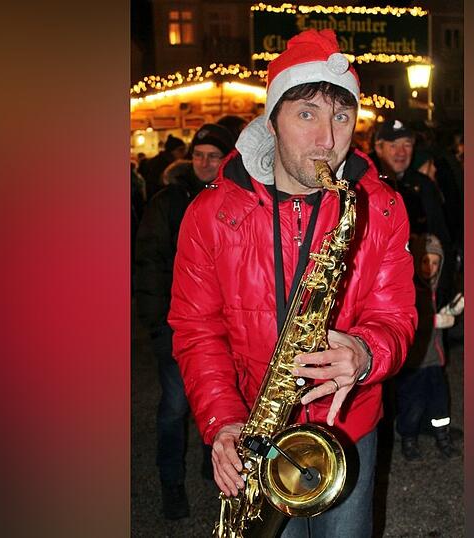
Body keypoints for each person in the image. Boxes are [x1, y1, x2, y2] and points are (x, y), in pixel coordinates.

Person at [169, 28, 416, 538]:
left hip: (347, 427)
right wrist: (223, 422)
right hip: (253, 431)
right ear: (273, 120)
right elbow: (196, 329)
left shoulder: (382, 206)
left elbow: (397, 318)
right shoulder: (209, 214)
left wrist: (367, 354)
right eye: (307, 114)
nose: (328, 138)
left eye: (341, 117)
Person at [134, 123, 236, 520]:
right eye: (199, 155)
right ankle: (170, 482)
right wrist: (159, 327)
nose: (205, 163)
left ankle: (213, 461)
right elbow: (149, 265)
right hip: (179, 328)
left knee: (222, 400)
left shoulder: (235, 198)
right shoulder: (169, 202)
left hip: (225, 329)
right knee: (175, 408)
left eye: (214, 155)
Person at [372, 119, 457, 309]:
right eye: (393, 145)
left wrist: (442, 292)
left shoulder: (424, 185)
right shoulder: (365, 184)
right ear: (379, 149)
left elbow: (442, 236)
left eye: (407, 145)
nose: (401, 152)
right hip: (377, 293)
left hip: (419, 291)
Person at [395, 233, 463, 461]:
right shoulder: (410, 289)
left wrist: (450, 311)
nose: (430, 267)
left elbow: (441, 312)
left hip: (434, 361)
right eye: (425, 261)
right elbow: (408, 320)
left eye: (435, 263)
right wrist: (435, 320)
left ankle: (442, 435)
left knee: (439, 401)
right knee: (411, 404)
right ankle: (409, 438)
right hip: (415, 363)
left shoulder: (436, 288)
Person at [141, 134, 187, 201]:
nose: (183, 153)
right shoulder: (161, 164)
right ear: (172, 151)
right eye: (181, 150)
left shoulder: (167, 161)